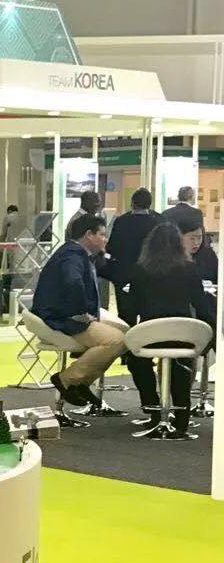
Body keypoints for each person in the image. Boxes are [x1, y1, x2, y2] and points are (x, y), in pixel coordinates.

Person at [126, 220, 216, 441]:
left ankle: (153, 407)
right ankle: (181, 418)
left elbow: (130, 310)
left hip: (150, 334)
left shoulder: (140, 270)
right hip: (182, 334)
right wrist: (209, 337)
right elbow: (202, 307)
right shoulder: (189, 269)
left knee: (136, 360)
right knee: (180, 366)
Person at [33, 214, 125, 408]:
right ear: (89, 235)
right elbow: (73, 282)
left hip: (66, 315)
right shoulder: (72, 255)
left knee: (126, 334)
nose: (105, 239)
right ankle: (68, 379)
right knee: (118, 341)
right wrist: (81, 313)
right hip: (62, 319)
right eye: (102, 234)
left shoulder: (77, 254)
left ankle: (82, 383)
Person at [102, 188, 160, 324]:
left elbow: (111, 248)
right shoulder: (157, 223)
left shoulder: (121, 221)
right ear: (150, 204)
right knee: (149, 315)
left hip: (124, 275)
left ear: (132, 203)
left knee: (126, 316)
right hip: (149, 274)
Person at [172, 203, 220, 284]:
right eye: (192, 238)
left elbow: (218, 278)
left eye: (199, 237)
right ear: (180, 237)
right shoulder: (172, 257)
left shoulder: (208, 255)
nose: (196, 242)